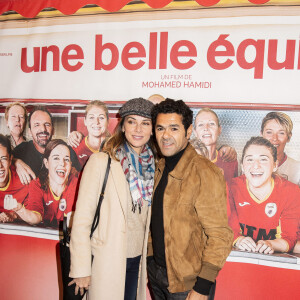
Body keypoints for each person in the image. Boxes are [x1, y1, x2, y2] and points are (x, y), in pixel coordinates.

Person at [69, 98, 155, 300]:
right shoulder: (101, 162)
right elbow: (82, 219)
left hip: (137, 260)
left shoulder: (153, 166)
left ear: (152, 129)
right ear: (122, 126)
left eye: (145, 123)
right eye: (132, 121)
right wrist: (81, 268)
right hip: (106, 260)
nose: (138, 129)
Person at [148, 99, 233, 300]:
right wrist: (151, 259)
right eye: (160, 128)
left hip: (189, 284)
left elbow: (220, 236)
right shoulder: (160, 167)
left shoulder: (205, 172)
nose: (165, 135)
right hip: (157, 274)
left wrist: (202, 287)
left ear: (188, 132)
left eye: (174, 128)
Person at [228, 136, 300, 254]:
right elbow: (226, 228)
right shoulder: (230, 188)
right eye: (250, 159)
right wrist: (238, 240)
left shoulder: (291, 192)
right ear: (242, 166)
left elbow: (289, 238)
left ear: (275, 165)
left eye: (263, 159)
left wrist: (271, 244)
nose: (256, 166)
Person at [13, 106, 79, 184]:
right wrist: (15, 162)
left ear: (53, 130)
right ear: (29, 131)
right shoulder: (20, 151)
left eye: (47, 124)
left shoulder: (67, 151)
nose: (43, 129)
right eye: (37, 125)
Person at [194, 108, 238, 182]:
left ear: (219, 130)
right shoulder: (187, 161)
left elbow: (235, 190)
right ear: (195, 132)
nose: (206, 128)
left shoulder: (230, 160)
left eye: (211, 124)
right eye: (201, 125)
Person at [261, 111, 300, 186]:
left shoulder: (298, 169)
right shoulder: (251, 165)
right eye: (269, 132)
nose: (274, 138)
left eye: (281, 133)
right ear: (261, 134)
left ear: (288, 137)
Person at [71, 101, 110, 169]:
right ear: (85, 121)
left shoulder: (116, 148)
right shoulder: (75, 147)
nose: (96, 122)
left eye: (101, 118)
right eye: (91, 117)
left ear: (108, 121)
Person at [0, 135, 29, 223]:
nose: (0, 165)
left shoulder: (23, 180)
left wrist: (14, 215)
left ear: (10, 160)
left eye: (3, 159)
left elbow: (35, 214)